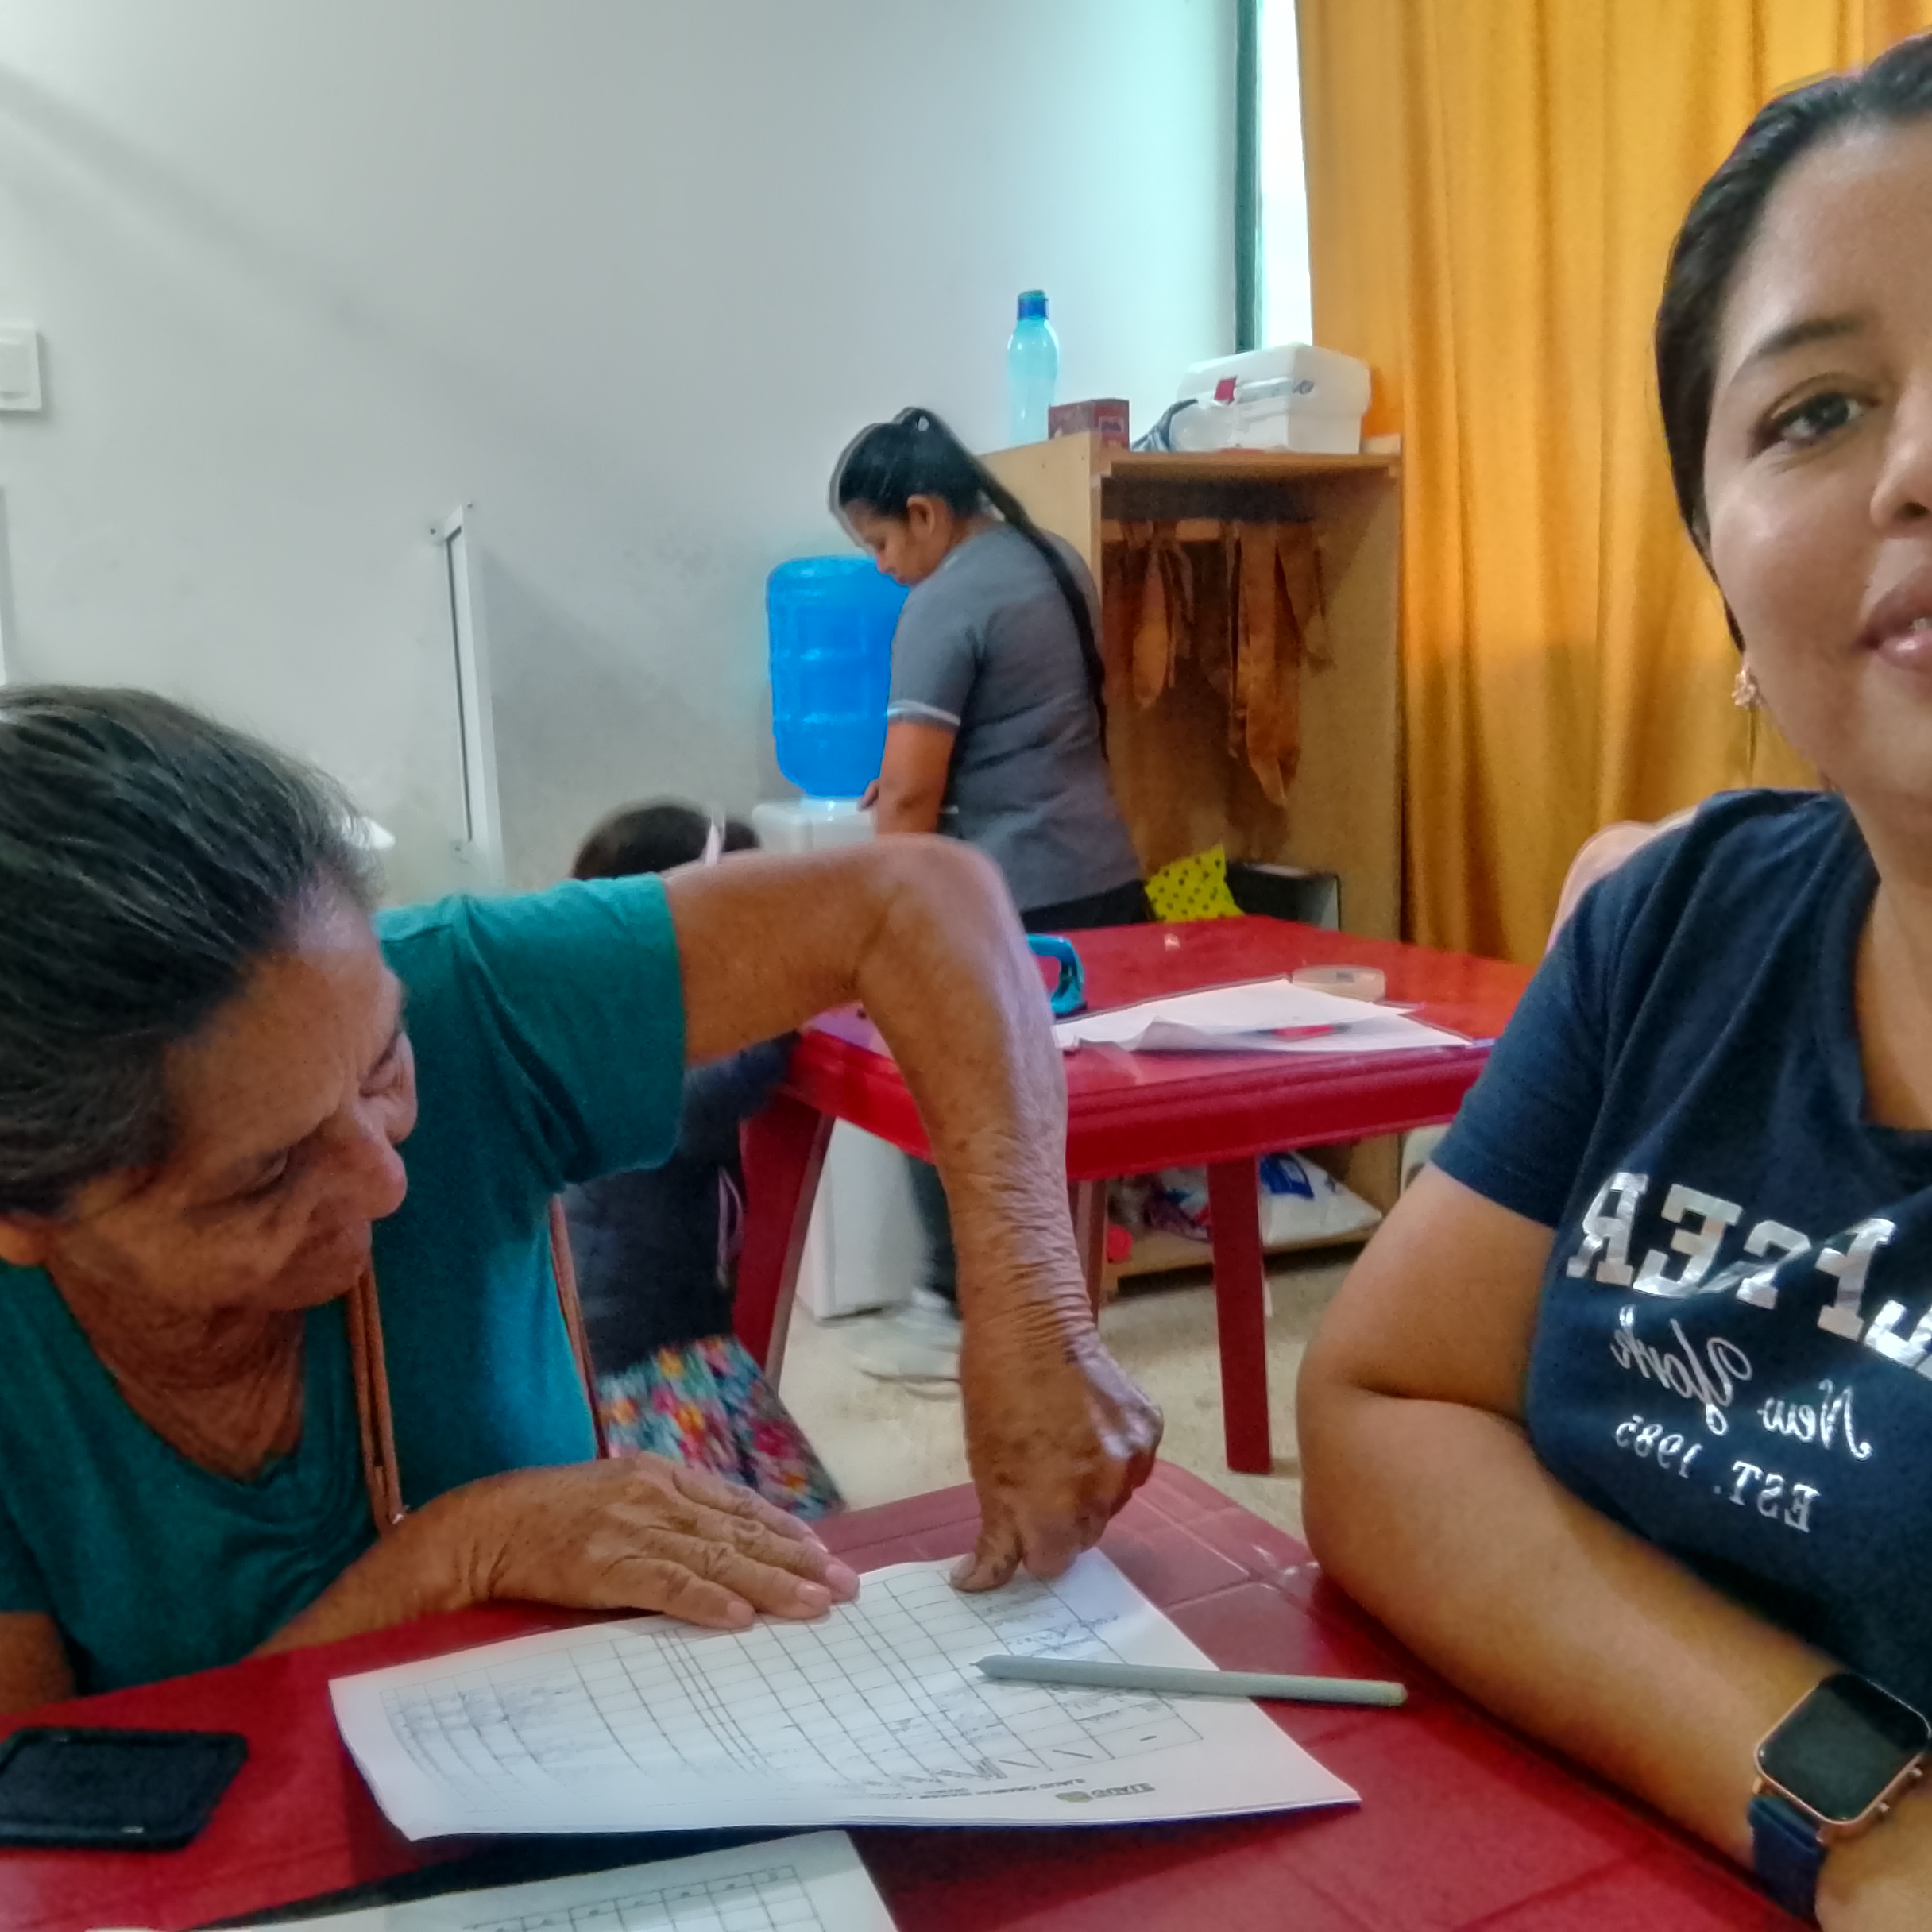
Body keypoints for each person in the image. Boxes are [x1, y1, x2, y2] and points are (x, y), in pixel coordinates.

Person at [1298, 34, 1932, 1931]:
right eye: (1818, 409)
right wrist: (1852, 1804)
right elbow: (1382, 1409)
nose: (1919, 468)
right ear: (1720, 575)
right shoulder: (1672, 926)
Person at [0, 688, 1159, 1711]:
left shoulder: (464, 996)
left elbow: (917, 899)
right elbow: (45, 1809)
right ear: (30, 1218)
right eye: (266, 1175)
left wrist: (1034, 1309)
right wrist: (450, 1557)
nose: (387, 1179)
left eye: (386, 1062)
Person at [830, 406, 1147, 1379]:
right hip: (1104, 887)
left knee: (942, 1092)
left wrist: (879, 935)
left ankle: (956, 1313)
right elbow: (1026, 726)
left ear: (925, 514)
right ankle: (1061, 1313)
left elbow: (909, 796)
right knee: (1054, 1118)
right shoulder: (1054, 560)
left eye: (880, 542)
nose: (882, 566)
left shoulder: (943, 602)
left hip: (1012, 903)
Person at [562, 800, 840, 1518]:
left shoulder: (611, 1014)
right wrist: (785, 1011)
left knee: (776, 1512)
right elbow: (701, 1100)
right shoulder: (629, 1049)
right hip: (642, 1353)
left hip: (679, 1333)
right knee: (718, 1525)